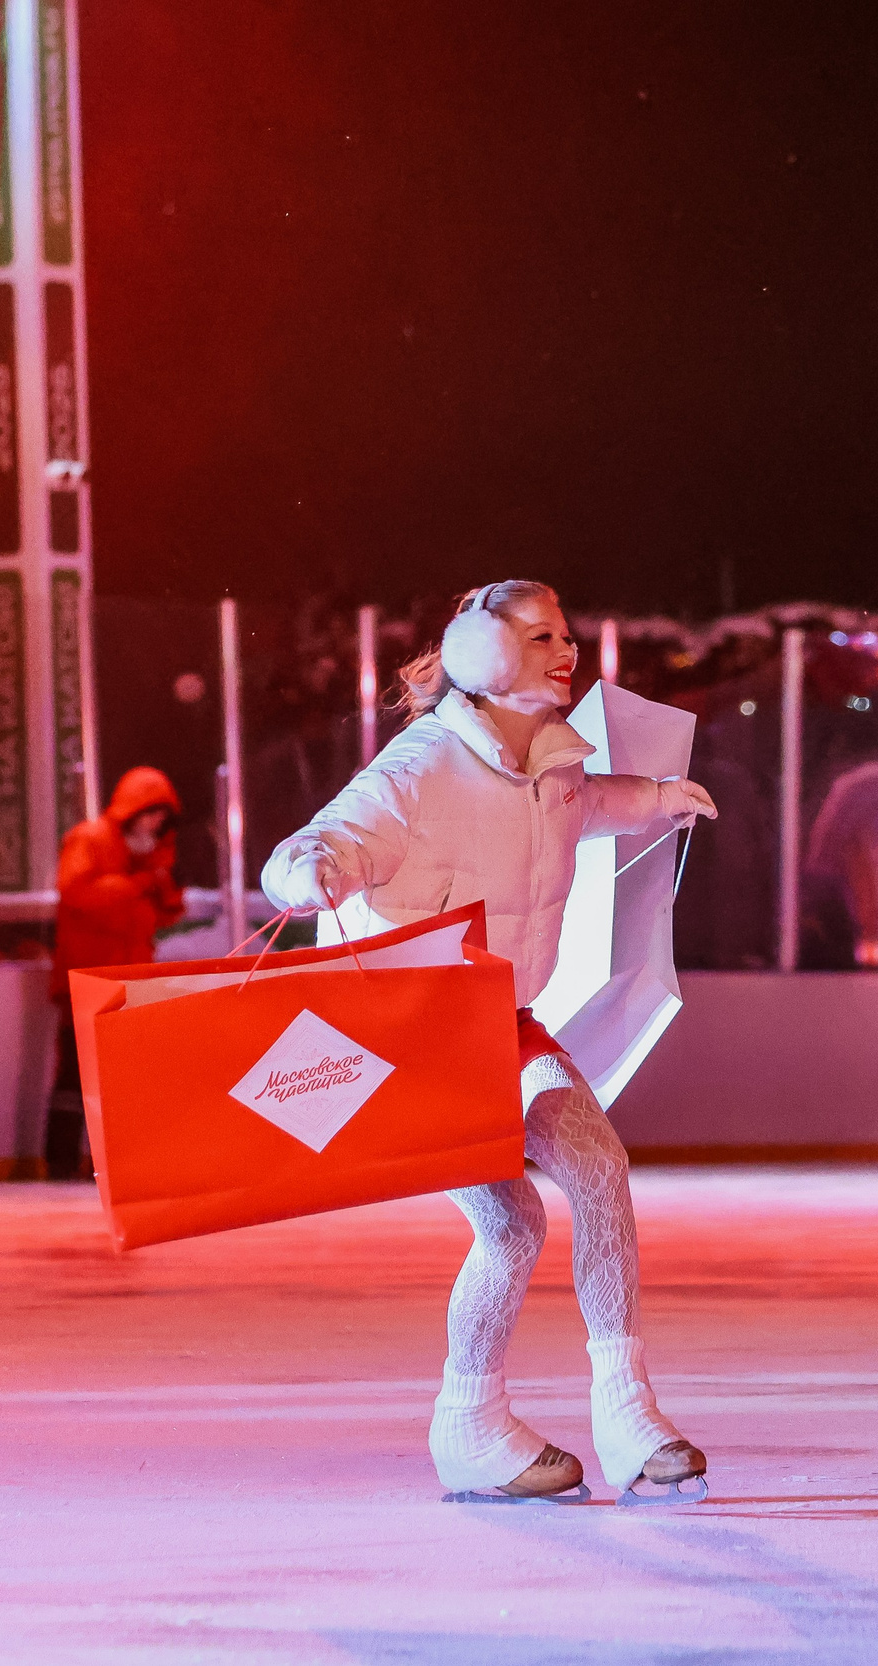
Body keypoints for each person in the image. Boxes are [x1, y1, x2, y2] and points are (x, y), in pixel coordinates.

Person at [261, 580, 720, 1503]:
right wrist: (310, 871)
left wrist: (661, 797)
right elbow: (325, 841)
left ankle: (623, 1408)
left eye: (567, 632)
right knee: (511, 1226)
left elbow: (587, 807)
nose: (568, 650)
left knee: (595, 1164)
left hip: (501, 1021)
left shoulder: (551, 766)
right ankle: (468, 1421)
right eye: (542, 635)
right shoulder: (420, 768)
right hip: (415, 1034)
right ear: (482, 653)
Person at [46, 766, 185, 1179]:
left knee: (120, 1078)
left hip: (128, 980)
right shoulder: (90, 840)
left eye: (163, 816)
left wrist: (160, 887)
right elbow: (76, 892)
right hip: (87, 979)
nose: (158, 822)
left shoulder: (147, 855)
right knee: (75, 1075)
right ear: (132, 810)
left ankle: (115, 1163)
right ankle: (62, 1162)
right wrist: (142, 881)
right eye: (152, 812)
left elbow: (158, 914)